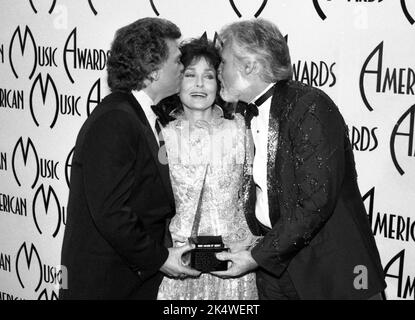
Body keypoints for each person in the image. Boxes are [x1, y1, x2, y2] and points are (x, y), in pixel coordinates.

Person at [212, 18, 387, 300]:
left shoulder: (309, 106)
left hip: (332, 272)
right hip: (274, 271)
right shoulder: (245, 114)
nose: (218, 71)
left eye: (223, 62)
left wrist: (257, 255)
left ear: (249, 65)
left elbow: (316, 202)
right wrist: (256, 242)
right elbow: (271, 195)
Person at [60, 18, 200, 300]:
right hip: (105, 284)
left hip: (128, 279)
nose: (183, 68)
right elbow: (111, 212)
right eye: (176, 61)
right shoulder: (116, 120)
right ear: (152, 69)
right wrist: (160, 258)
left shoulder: (138, 115)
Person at [156, 36, 258, 300]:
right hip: (180, 264)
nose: (199, 84)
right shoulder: (162, 138)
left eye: (209, 76)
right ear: (176, 80)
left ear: (219, 82)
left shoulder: (239, 131)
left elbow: (255, 195)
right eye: (190, 75)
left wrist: (252, 248)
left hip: (234, 264)